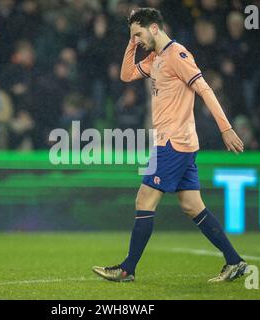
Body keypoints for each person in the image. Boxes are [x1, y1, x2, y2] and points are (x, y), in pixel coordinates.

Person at [92, 8, 247, 283]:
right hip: (177, 142)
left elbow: (205, 90)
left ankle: (127, 269)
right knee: (191, 205)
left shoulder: (177, 55)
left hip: (172, 143)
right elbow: (126, 75)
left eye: (139, 34)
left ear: (154, 28)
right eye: (133, 37)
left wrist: (226, 128)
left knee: (144, 199)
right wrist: (132, 41)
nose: (137, 40)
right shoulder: (156, 58)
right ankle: (235, 262)